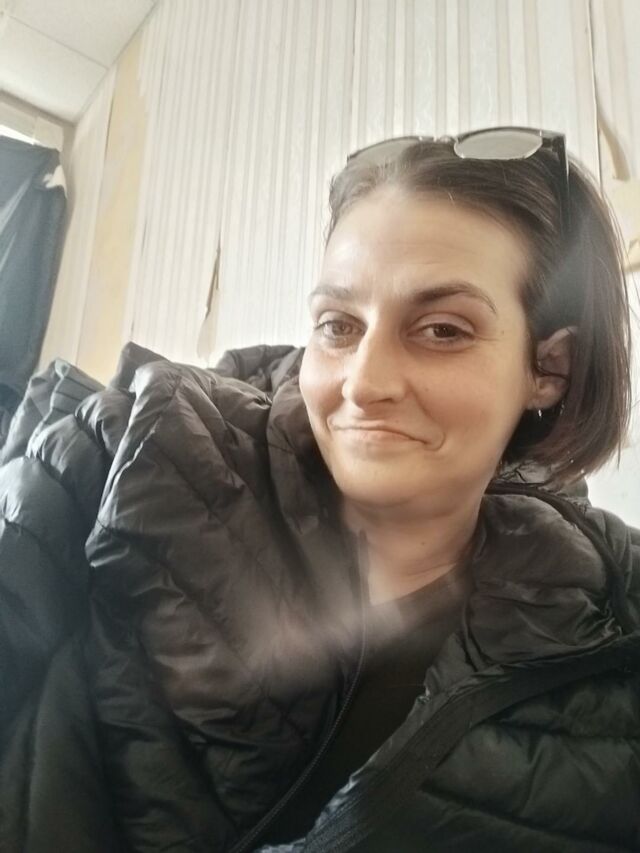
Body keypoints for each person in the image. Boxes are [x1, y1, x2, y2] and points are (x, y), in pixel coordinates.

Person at [1, 128, 639, 853]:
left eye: (442, 330)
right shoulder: (139, 440)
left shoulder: (608, 632)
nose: (364, 383)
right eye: (338, 325)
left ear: (548, 370)